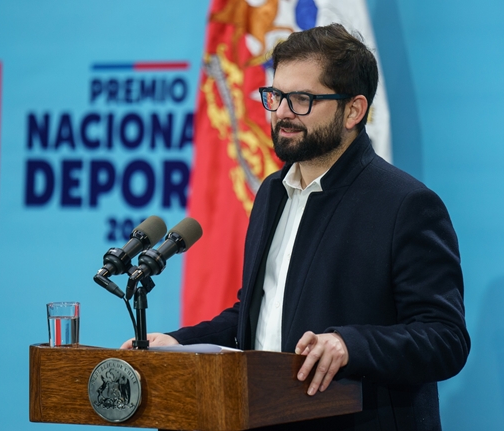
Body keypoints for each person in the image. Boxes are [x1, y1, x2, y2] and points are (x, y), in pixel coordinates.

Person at [122, 23, 470, 430]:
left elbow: (445, 338)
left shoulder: (406, 204)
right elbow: (258, 317)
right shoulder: (272, 192)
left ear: (353, 111)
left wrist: (348, 345)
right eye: (276, 96)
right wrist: (180, 343)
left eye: (302, 99)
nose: (282, 112)